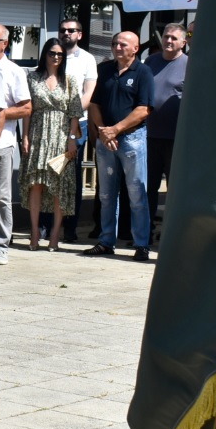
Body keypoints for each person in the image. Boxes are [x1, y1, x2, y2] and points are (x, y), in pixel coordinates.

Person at [84, 31, 154, 260]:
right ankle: (106, 241)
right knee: (105, 194)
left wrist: (117, 129)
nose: (117, 47)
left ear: (136, 48)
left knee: (136, 192)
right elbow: (94, 104)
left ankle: (141, 244)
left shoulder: (143, 72)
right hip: (107, 141)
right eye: (115, 43)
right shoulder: (104, 70)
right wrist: (104, 130)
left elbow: (144, 109)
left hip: (132, 139)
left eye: (123, 44)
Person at [19, 39, 81, 250]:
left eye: (60, 54)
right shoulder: (32, 78)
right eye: (52, 53)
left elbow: (75, 113)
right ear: (44, 54)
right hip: (37, 133)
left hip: (61, 136)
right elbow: (27, 110)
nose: (56, 57)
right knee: (35, 183)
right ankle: (34, 231)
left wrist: (72, 140)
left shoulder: (69, 80)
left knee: (58, 186)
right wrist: (25, 137)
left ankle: (55, 233)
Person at [0, 23, 30, 265]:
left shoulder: (14, 71)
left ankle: (2, 244)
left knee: (1, 196)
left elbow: (27, 107)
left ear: (5, 44)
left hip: (4, 142)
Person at [47, 18, 98, 242]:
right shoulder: (51, 53)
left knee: (71, 175)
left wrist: (72, 118)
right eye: (63, 30)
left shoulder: (87, 59)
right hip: (50, 123)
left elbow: (88, 94)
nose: (67, 33)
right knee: (49, 173)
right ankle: (47, 226)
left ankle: (70, 228)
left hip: (77, 123)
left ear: (80, 34)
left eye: (72, 30)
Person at [145, 23, 188, 225]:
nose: (169, 41)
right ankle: (145, 231)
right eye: (166, 37)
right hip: (149, 135)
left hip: (175, 138)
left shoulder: (190, 64)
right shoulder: (150, 61)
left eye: (174, 38)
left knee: (174, 188)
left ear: (183, 42)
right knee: (148, 186)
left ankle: (172, 230)